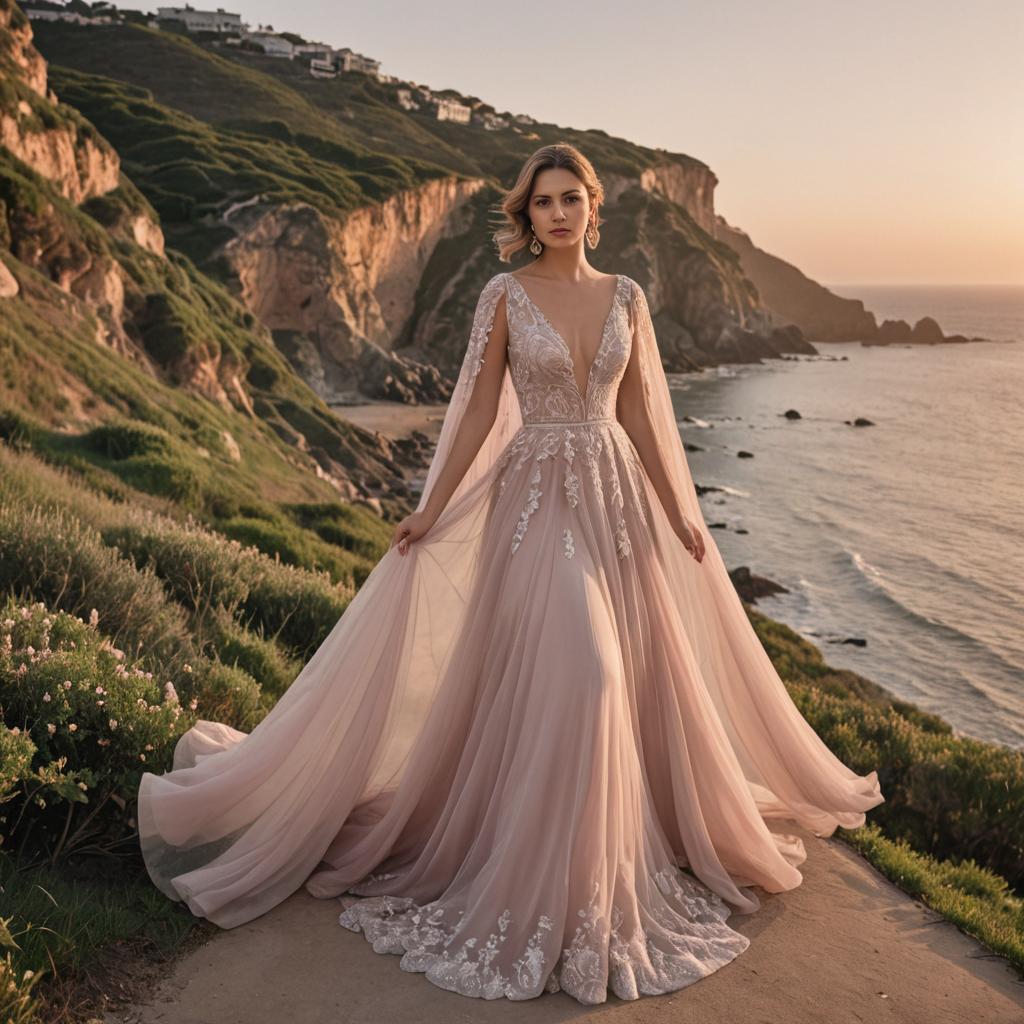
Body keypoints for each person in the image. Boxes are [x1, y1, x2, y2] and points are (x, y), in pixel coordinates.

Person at [136, 142, 884, 1005]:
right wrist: (429, 504)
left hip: (616, 498)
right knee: (590, 676)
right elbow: (479, 408)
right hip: (534, 502)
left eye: (570, 198)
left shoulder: (629, 297)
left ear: (594, 207)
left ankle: (590, 861)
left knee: (620, 678)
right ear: (525, 215)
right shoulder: (503, 295)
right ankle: (555, 886)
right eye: (542, 202)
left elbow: (641, 409)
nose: (557, 213)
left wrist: (681, 507)